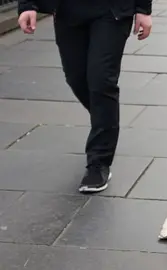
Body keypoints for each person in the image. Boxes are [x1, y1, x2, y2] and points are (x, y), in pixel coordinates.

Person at [17, 0, 152, 193]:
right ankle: (104, 119)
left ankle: (98, 163)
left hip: (112, 11)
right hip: (68, 10)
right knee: (76, 78)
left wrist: (143, 9)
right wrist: (27, 5)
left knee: (101, 81)